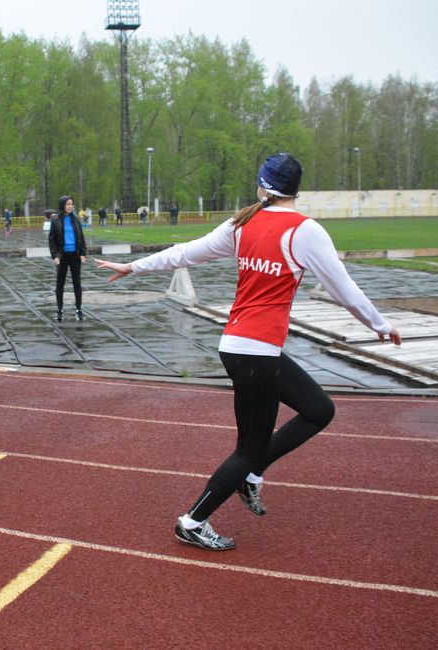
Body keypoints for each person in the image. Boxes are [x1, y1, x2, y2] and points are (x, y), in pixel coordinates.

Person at [95, 153, 402, 551]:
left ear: (262, 186)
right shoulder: (304, 231)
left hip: (247, 349)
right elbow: (345, 290)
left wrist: (133, 267)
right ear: (296, 189)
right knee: (248, 448)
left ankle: (252, 474)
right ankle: (193, 520)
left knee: (318, 410)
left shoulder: (244, 223)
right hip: (254, 353)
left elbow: (185, 252)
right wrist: (380, 325)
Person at [47, 195, 87, 322]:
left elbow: (81, 237)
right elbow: (51, 240)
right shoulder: (55, 220)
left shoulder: (76, 219)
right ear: (62, 205)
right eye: (67, 204)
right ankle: (59, 310)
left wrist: (82, 253)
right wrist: (54, 256)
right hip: (62, 256)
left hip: (74, 255)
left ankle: (78, 309)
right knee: (60, 283)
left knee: (77, 283)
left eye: (71, 204)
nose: (70, 206)